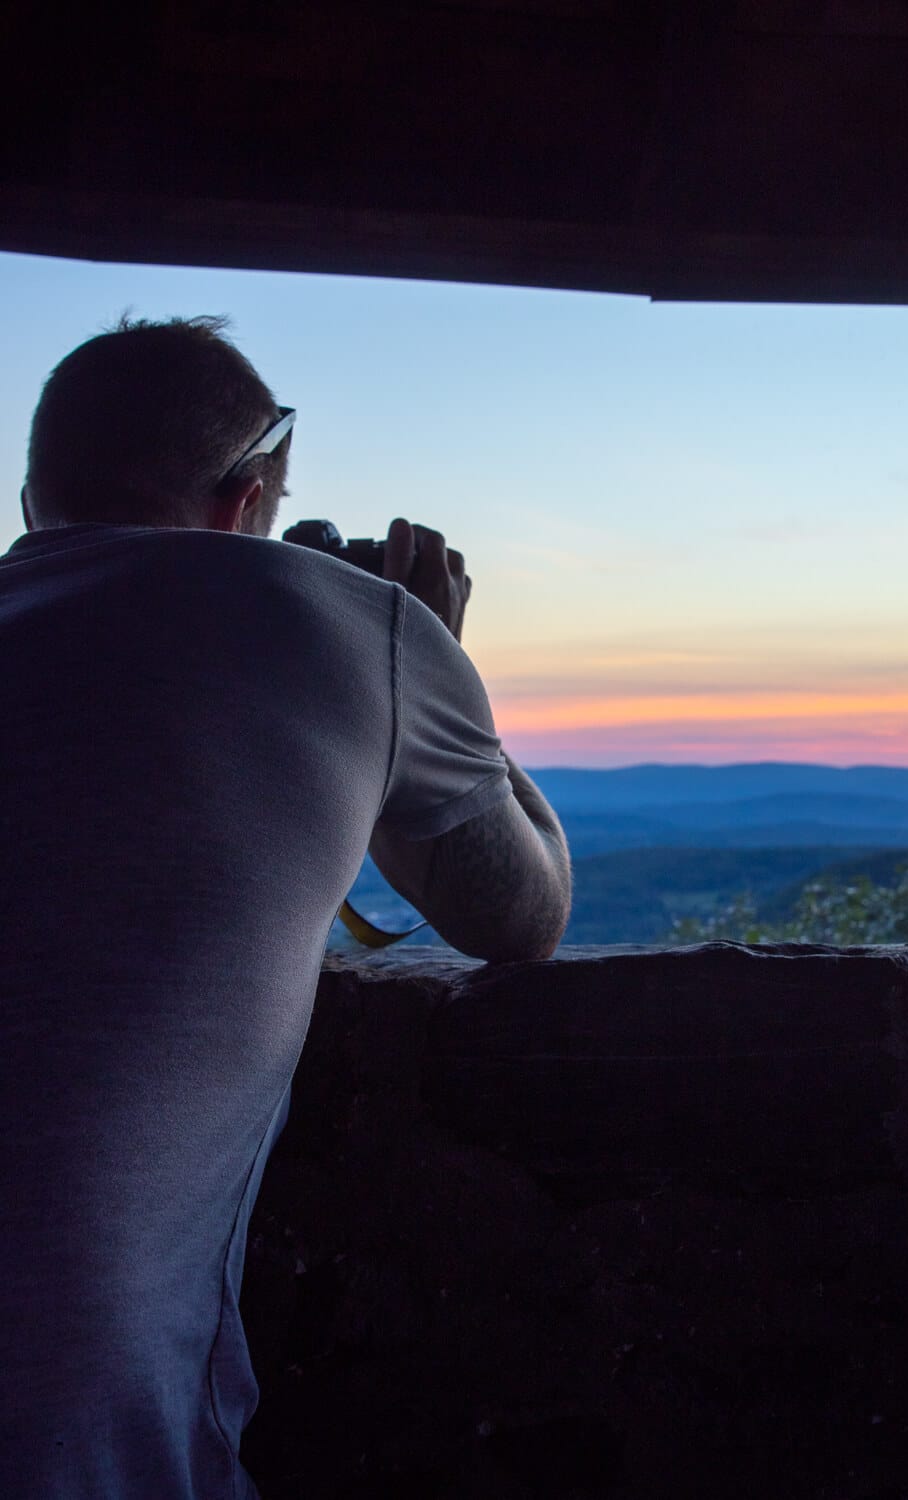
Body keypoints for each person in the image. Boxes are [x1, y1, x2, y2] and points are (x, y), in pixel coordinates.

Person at [0, 315, 571, 1499]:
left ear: (29, 494)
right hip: (78, 1422)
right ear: (248, 497)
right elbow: (522, 915)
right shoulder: (352, 625)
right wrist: (434, 660)